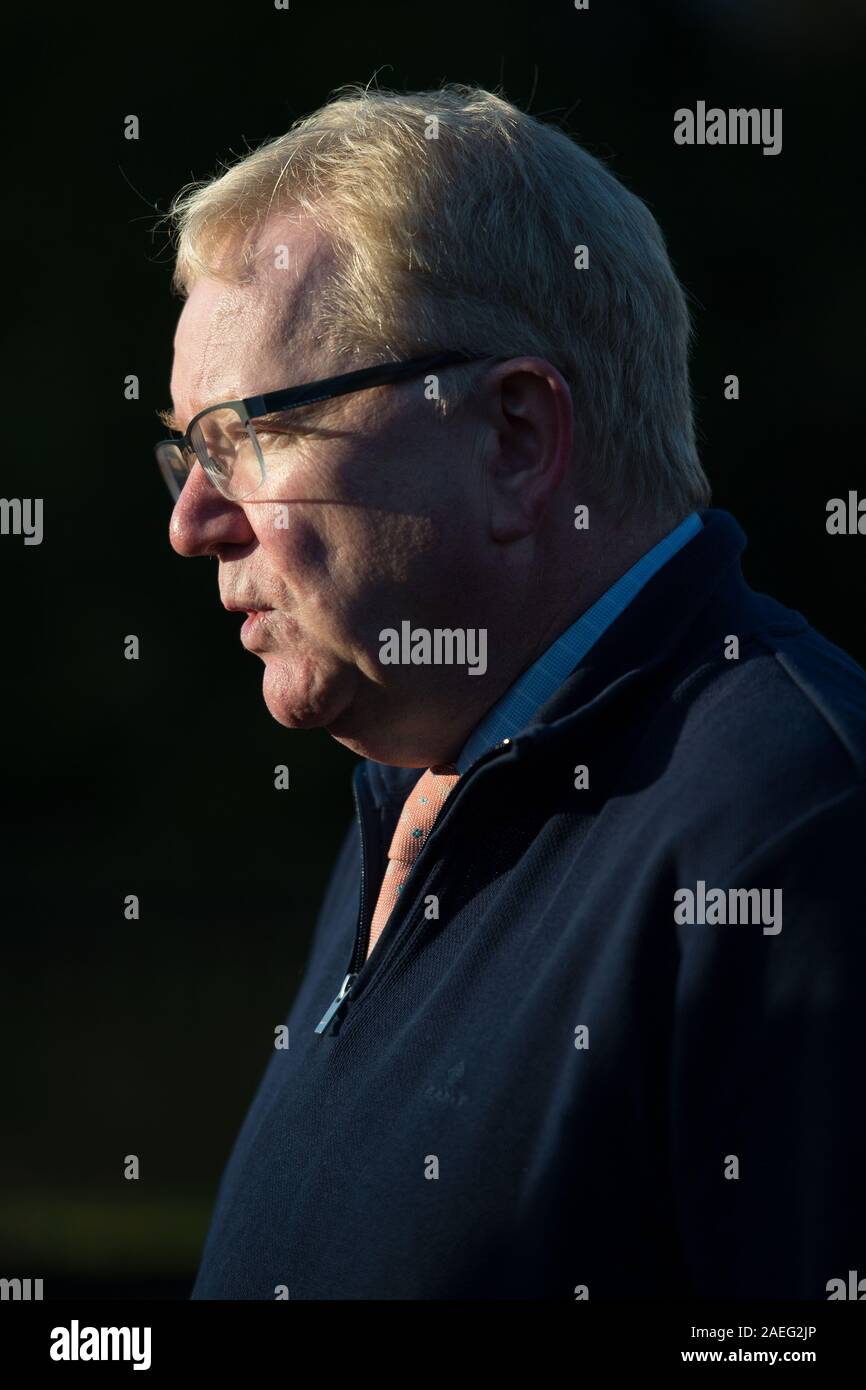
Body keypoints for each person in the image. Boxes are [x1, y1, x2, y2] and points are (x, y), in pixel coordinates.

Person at [154, 85, 866, 1299]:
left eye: (244, 435)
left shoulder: (789, 829)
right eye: (186, 448)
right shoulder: (419, 764)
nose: (190, 521)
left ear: (516, 438)